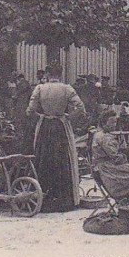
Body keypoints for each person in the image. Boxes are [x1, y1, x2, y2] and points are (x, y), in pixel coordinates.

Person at [26, 63, 85, 212]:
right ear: (61, 73)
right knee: (62, 159)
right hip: (60, 126)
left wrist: (41, 116)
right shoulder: (67, 89)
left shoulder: (40, 88)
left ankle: (43, 197)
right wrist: (68, 118)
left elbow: (30, 111)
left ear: (47, 73)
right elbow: (81, 108)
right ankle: (63, 199)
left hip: (45, 126)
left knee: (43, 158)